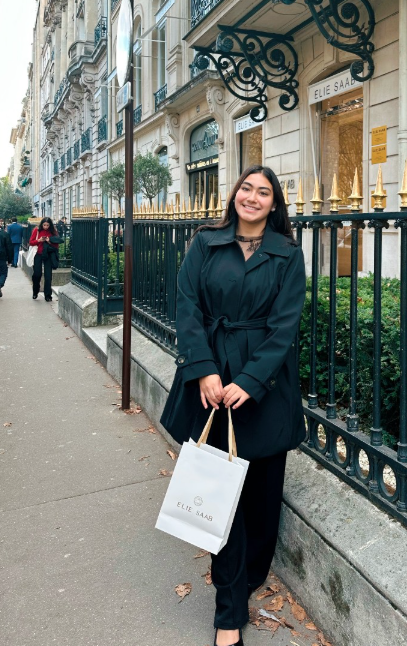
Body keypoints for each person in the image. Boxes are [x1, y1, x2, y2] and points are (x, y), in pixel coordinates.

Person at [161, 165, 306, 646]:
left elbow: (285, 327)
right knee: (221, 499)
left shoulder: (287, 254)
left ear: (273, 203)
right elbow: (187, 306)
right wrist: (204, 368)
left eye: (263, 192)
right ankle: (228, 612)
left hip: (263, 386)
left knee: (263, 505)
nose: (252, 196)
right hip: (211, 379)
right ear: (235, 195)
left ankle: (248, 577)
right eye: (246, 188)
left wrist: (249, 378)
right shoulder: (206, 242)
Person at [29, 217, 63, 301]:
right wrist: (39, 240)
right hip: (38, 254)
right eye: (44, 225)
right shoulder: (36, 230)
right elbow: (31, 242)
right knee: (37, 274)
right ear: (41, 224)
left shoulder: (53, 231)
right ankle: (35, 291)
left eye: (47, 225)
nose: (46, 227)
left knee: (48, 276)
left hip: (48, 254)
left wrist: (49, 241)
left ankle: (48, 295)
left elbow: (57, 244)